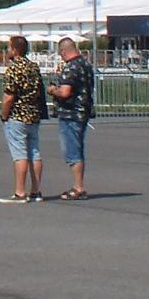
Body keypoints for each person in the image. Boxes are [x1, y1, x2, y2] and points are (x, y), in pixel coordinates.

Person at [0, 34, 46, 203]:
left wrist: (4, 115)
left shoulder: (13, 68)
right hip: (33, 114)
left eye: (9, 48)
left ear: (15, 50)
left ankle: (20, 192)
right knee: (34, 152)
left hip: (17, 115)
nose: (7, 51)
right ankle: (36, 190)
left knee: (20, 154)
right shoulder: (34, 67)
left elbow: (9, 96)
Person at [47, 36, 96, 200]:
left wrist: (53, 90)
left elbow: (65, 92)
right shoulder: (86, 64)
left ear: (63, 51)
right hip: (83, 111)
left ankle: (78, 187)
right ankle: (79, 185)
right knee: (78, 147)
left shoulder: (71, 67)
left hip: (70, 113)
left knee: (72, 150)